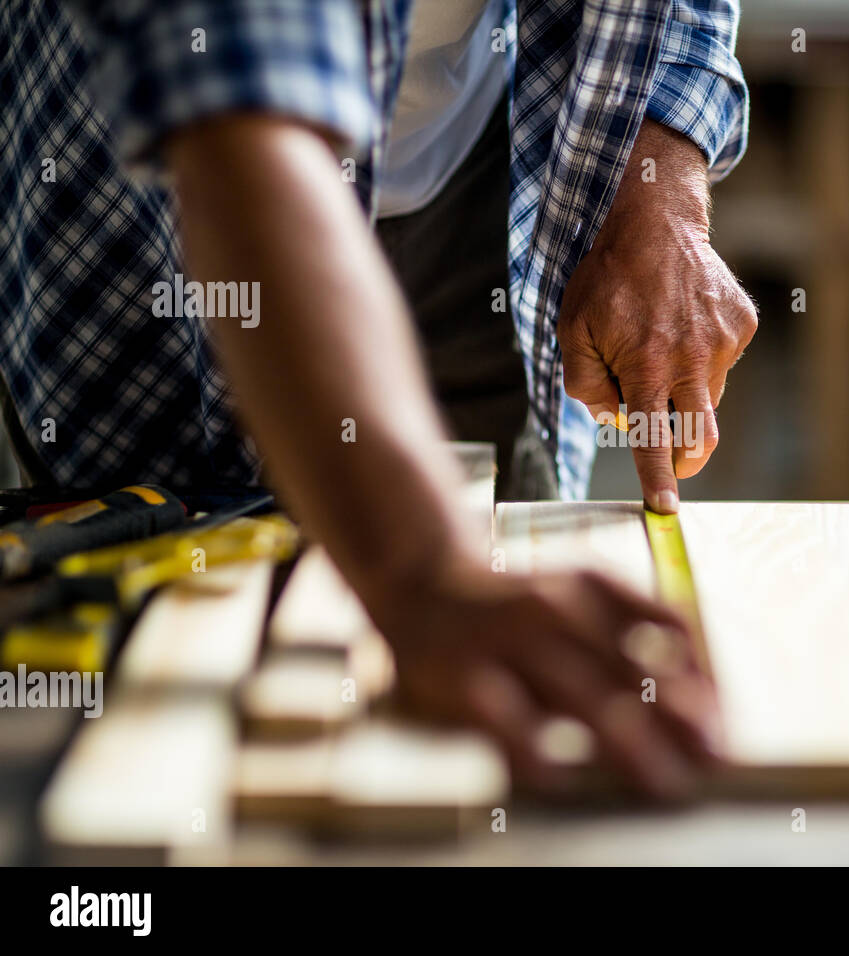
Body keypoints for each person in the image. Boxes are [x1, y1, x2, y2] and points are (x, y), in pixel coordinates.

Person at [0, 0, 756, 798]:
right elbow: (241, 102)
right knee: (177, 687)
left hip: (482, 163)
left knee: (503, 687)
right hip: (169, 193)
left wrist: (660, 171)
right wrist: (429, 573)